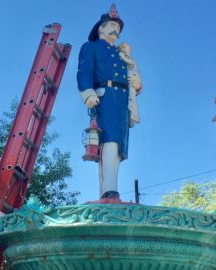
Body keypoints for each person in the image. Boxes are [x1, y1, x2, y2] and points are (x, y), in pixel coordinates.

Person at [77, 4, 141, 199]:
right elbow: (84, 72)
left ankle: (109, 187)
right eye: (112, 25)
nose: (116, 29)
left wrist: (137, 82)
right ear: (101, 28)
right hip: (104, 97)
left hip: (122, 101)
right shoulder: (91, 47)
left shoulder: (123, 56)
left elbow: (133, 81)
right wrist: (88, 93)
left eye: (118, 27)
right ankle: (109, 189)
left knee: (119, 145)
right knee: (110, 140)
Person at [117, 41, 141, 127]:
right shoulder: (116, 61)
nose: (127, 53)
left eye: (128, 51)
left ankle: (132, 116)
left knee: (131, 99)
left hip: (130, 84)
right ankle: (131, 115)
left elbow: (138, 85)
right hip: (118, 92)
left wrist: (138, 85)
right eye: (125, 51)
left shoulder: (130, 61)